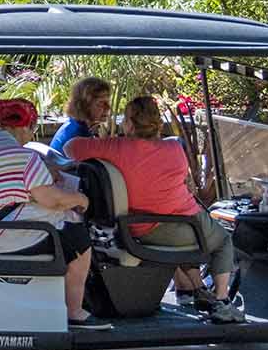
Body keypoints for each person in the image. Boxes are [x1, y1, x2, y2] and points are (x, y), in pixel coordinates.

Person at [65, 96, 244, 324]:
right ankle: (222, 301)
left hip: (138, 227)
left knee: (191, 233)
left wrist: (109, 143)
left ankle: (195, 290)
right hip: (179, 225)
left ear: (130, 123)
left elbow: (70, 147)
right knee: (223, 241)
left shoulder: (116, 148)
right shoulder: (173, 147)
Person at [0, 98, 106, 330]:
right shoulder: (25, 156)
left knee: (60, 219)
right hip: (2, 235)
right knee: (77, 234)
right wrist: (81, 199)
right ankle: (74, 311)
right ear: (25, 126)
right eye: (33, 129)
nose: (32, 136)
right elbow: (52, 199)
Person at [49, 77, 111, 157]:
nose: (108, 107)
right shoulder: (78, 136)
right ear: (84, 105)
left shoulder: (72, 125)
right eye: (101, 103)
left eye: (108, 102)